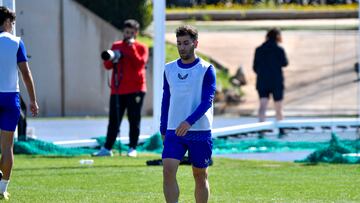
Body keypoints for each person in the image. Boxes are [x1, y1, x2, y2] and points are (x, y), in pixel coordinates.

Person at [160, 25, 216, 203]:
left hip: (199, 130)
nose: (182, 47)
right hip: (173, 130)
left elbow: (207, 101)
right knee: (168, 171)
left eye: (186, 43)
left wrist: (189, 122)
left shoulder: (206, 69)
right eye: (179, 43)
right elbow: (166, 99)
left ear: (195, 43)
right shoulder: (169, 69)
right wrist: (163, 127)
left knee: (200, 175)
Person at [93, 19, 149, 157]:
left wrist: (131, 48)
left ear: (136, 33)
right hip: (118, 90)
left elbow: (140, 64)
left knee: (134, 119)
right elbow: (107, 66)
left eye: (131, 32)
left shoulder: (142, 47)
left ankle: (132, 148)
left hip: (136, 89)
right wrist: (111, 58)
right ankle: (107, 148)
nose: (128, 35)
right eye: (126, 32)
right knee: (114, 120)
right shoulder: (116, 46)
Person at [0, 6, 39, 200]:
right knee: (7, 147)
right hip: (10, 98)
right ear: (7, 22)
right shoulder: (16, 42)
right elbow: (26, 73)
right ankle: (2, 189)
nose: (13, 26)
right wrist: (32, 100)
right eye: (12, 23)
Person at [253, 28, 288, 127]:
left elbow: (255, 67)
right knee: (279, 107)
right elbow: (285, 63)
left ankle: (261, 128)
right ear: (278, 37)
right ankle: (281, 130)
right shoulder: (279, 49)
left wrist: (262, 73)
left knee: (263, 105)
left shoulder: (259, 49)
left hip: (262, 81)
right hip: (276, 81)